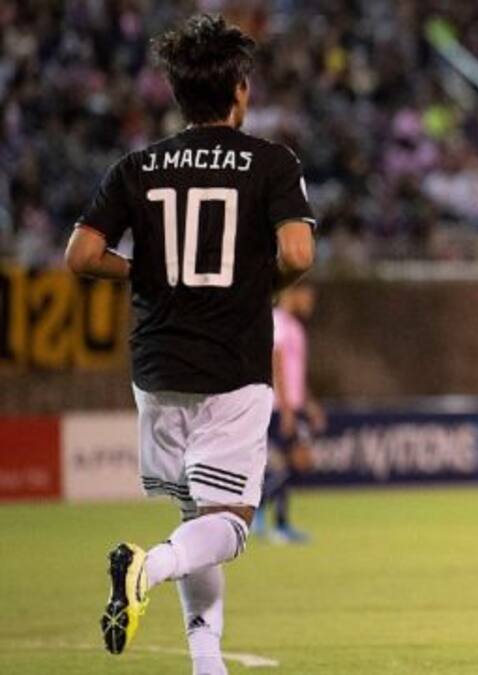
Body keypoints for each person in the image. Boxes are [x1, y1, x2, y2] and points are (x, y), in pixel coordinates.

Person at [64, 14, 316, 674]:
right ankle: (145, 568)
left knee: (195, 515)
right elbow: (298, 252)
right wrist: (258, 286)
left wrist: (143, 272)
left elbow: (81, 255)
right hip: (230, 364)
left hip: (156, 367)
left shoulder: (136, 167)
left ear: (178, 95)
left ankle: (208, 663)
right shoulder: (271, 162)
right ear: (239, 90)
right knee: (228, 525)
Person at [254, 280, 325, 543]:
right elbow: (277, 367)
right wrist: (286, 410)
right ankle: (259, 510)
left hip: (293, 405)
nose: (310, 303)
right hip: (279, 407)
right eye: (307, 297)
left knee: (289, 465)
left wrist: (310, 403)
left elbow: (296, 374)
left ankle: (280, 524)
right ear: (292, 293)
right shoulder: (278, 321)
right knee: (293, 463)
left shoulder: (294, 326)